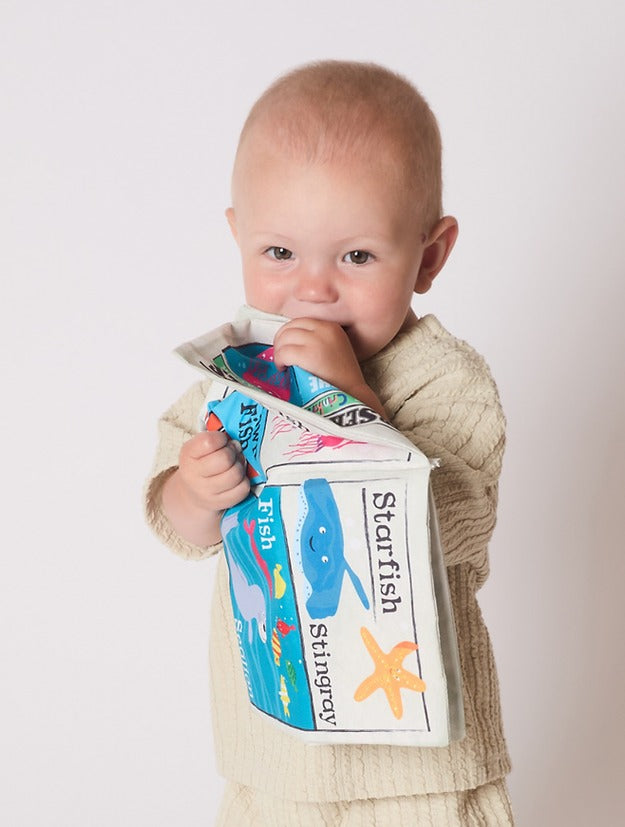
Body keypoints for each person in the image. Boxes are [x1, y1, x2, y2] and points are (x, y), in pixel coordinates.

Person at [145, 60, 514, 825]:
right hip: (273, 763)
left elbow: (460, 517)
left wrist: (348, 405)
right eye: (279, 253)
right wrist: (193, 490)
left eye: (356, 256)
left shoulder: (443, 378)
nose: (312, 288)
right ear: (238, 236)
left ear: (429, 255)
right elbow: (177, 525)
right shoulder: (234, 375)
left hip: (421, 775)